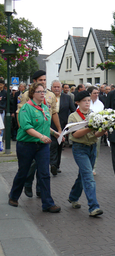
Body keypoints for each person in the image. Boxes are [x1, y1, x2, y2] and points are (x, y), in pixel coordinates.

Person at [8, 82, 61, 213]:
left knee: (44, 173)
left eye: (43, 91)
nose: (43, 93)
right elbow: (27, 128)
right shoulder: (26, 109)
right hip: (26, 145)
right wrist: (41, 137)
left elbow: (44, 125)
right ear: (33, 94)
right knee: (23, 172)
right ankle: (13, 196)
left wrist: (55, 133)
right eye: (39, 91)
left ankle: (48, 203)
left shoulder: (44, 107)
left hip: (42, 147)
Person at [17, 70, 62, 198]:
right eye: (41, 80)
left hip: (44, 133)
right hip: (31, 136)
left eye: (44, 80)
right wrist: (25, 130)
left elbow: (53, 113)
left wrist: (58, 130)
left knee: (43, 166)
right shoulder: (27, 95)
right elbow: (20, 113)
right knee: (31, 165)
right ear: (35, 81)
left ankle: (40, 190)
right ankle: (27, 182)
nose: (43, 82)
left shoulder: (51, 95)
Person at [67, 91, 106, 217]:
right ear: (77, 102)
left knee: (82, 175)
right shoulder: (73, 117)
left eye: (89, 100)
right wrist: (90, 126)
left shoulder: (93, 115)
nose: (87, 103)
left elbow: (96, 134)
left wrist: (103, 129)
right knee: (89, 176)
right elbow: (75, 134)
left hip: (92, 147)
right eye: (84, 101)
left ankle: (73, 196)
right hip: (80, 148)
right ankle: (93, 207)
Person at [49, 80, 76, 176]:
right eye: (54, 87)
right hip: (50, 125)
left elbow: (73, 110)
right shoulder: (48, 97)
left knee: (60, 145)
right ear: (51, 88)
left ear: (61, 88)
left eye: (58, 87)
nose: (56, 88)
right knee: (53, 145)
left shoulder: (67, 98)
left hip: (63, 125)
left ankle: (57, 165)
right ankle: (53, 164)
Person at [87, 86, 104, 176]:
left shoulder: (100, 104)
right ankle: (87, 166)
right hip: (86, 129)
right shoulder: (85, 102)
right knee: (87, 148)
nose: (97, 95)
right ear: (90, 94)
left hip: (97, 130)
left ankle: (93, 167)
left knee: (96, 149)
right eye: (95, 93)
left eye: (98, 93)